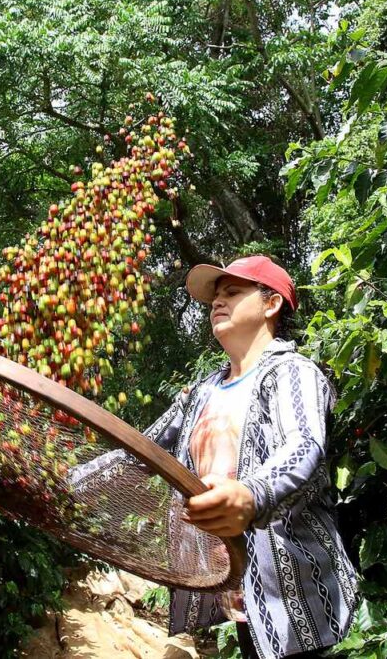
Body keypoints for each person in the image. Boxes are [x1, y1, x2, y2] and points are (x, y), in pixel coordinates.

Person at [141, 255, 358, 659]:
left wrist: (251, 495)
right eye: (213, 299)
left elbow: (304, 446)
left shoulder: (292, 371)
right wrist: (68, 484)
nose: (216, 303)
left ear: (271, 303)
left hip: (299, 599)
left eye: (233, 292)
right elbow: (141, 449)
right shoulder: (202, 392)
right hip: (237, 590)